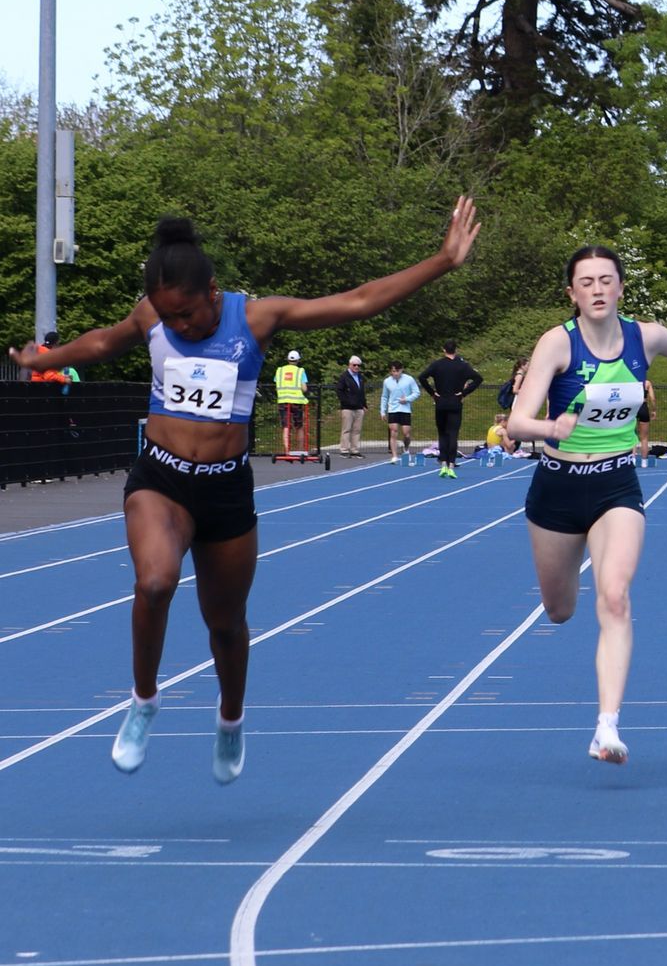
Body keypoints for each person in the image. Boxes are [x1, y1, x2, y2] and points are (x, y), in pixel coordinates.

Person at [7, 199, 479, 782]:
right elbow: (104, 342)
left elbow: (357, 300)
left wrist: (442, 261)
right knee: (154, 582)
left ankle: (230, 717)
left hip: (225, 489)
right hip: (161, 478)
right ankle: (144, 700)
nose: (178, 328)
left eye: (186, 316)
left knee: (225, 623)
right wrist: (45, 358)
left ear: (213, 292)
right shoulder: (153, 315)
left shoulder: (256, 318)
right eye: (167, 319)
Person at [506, 245, 667, 764]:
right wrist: (551, 427)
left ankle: (606, 726)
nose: (597, 289)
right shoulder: (557, 343)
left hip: (616, 484)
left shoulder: (644, 337)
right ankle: (571, 618)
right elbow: (516, 424)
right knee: (560, 610)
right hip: (557, 488)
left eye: (606, 280)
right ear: (571, 293)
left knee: (614, 597)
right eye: (586, 282)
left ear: (620, 288)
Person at [421, 341, 481, 478]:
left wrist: (432, 392)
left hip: (441, 402)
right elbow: (478, 379)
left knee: (442, 434)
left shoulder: (437, 364)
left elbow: (422, 377)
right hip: (455, 402)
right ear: (456, 350)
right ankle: (451, 465)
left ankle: (443, 464)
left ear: (444, 350)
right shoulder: (462, 365)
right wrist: (464, 393)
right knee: (453, 434)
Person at [381, 360, 420, 461]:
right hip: (392, 409)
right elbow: (384, 397)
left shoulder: (409, 379)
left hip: (405, 409)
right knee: (393, 431)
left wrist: (406, 399)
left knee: (406, 433)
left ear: (401, 370)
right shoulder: (387, 381)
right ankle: (394, 456)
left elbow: (416, 392)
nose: (395, 373)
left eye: (397, 371)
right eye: (393, 371)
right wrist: (382, 411)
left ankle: (406, 448)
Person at [274, 349, 310, 456]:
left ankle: (286, 450)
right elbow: (304, 388)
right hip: (296, 402)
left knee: (285, 426)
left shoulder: (280, 371)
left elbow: (277, 386)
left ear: (288, 359)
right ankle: (301, 450)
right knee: (299, 426)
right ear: (298, 360)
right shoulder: (300, 371)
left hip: (283, 401)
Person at [335, 355, 368, 458]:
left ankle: (354, 449)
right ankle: (344, 449)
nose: (356, 367)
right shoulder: (344, 377)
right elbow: (339, 391)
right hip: (347, 408)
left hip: (359, 407)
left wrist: (364, 404)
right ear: (350, 365)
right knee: (346, 429)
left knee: (357, 430)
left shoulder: (360, 377)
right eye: (354, 365)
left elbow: (362, 392)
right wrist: (346, 401)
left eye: (358, 365)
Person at [635, 375, 657, 458]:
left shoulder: (632, 381)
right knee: (644, 438)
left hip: (633, 407)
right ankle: (644, 461)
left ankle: (633, 459)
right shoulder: (647, 383)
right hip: (643, 407)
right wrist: (654, 410)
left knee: (632, 436)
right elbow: (652, 398)